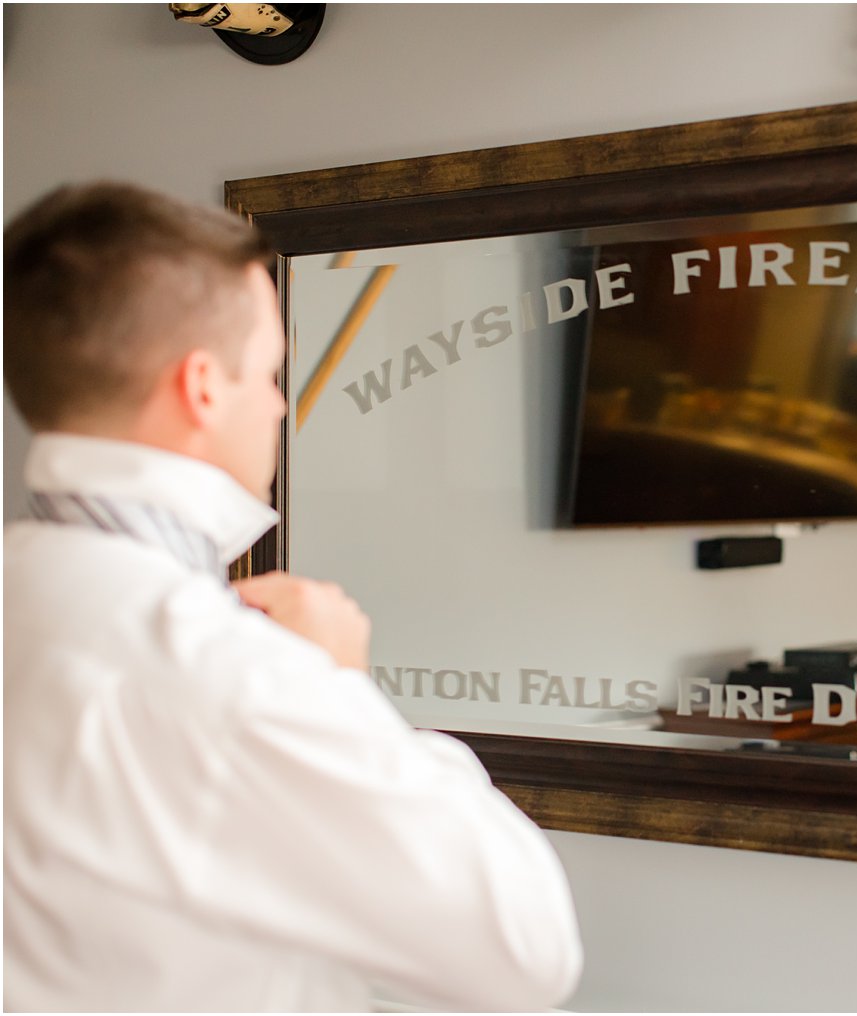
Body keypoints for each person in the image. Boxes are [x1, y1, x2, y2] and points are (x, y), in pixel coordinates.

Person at [3, 183, 582, 1011]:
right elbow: (526, 953)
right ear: (202, 387)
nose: (279, 404)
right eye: (271, 371)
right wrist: (344, 688)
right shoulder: (229, 671)